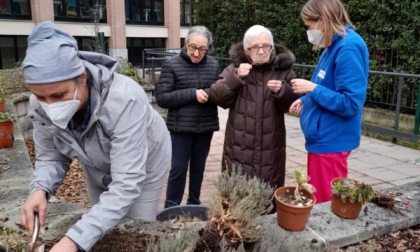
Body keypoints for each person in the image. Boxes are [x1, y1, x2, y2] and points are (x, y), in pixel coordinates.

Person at [20, 21, 171, 252]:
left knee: (136, 231)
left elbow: (126, 183)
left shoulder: (124, 100)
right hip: (96, 163)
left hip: (146, 164)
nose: (49, 106)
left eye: (59, 95)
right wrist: (40, 189)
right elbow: (50, 157)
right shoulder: (39, 105)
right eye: (41, 97)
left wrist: (72, 242)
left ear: (81, 77)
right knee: (101, 225)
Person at [289, 0, 369, 204]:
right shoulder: (334, 44)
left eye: (309, 26)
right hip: (324, 139)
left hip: (331, 140)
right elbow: (328, 85)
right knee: (319, 196)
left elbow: (350, 102)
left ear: (323, 20)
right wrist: (306, 99)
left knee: (325, 202)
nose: (309, 32)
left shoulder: (348, 47)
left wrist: (312, 88)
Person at [207, 25, 299, 198]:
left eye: (266, 46)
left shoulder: (283, 71)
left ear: (272, 47)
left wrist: (283, 91)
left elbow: (294, 103)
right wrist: (236, 78)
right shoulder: (234, 68)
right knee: (237, 199)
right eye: (256, 47)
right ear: (247, 50)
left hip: (271, 148)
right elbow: (217, 97)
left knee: (268, 195)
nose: (262, 51)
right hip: (239, 148)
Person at [156, 26, 219, 208]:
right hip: (181, 129)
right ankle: (171, 207)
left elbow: (217, 91)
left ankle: (194, 203)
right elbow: (162, 98)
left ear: (208, 48)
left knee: (198, 169)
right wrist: (192, 94)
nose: (196, 53)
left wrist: (209, 93)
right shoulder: (172, 64)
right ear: (185, 44)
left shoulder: (214, 65)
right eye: (192, 47)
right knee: (178, 169)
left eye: (202, 49)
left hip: (205, 127)